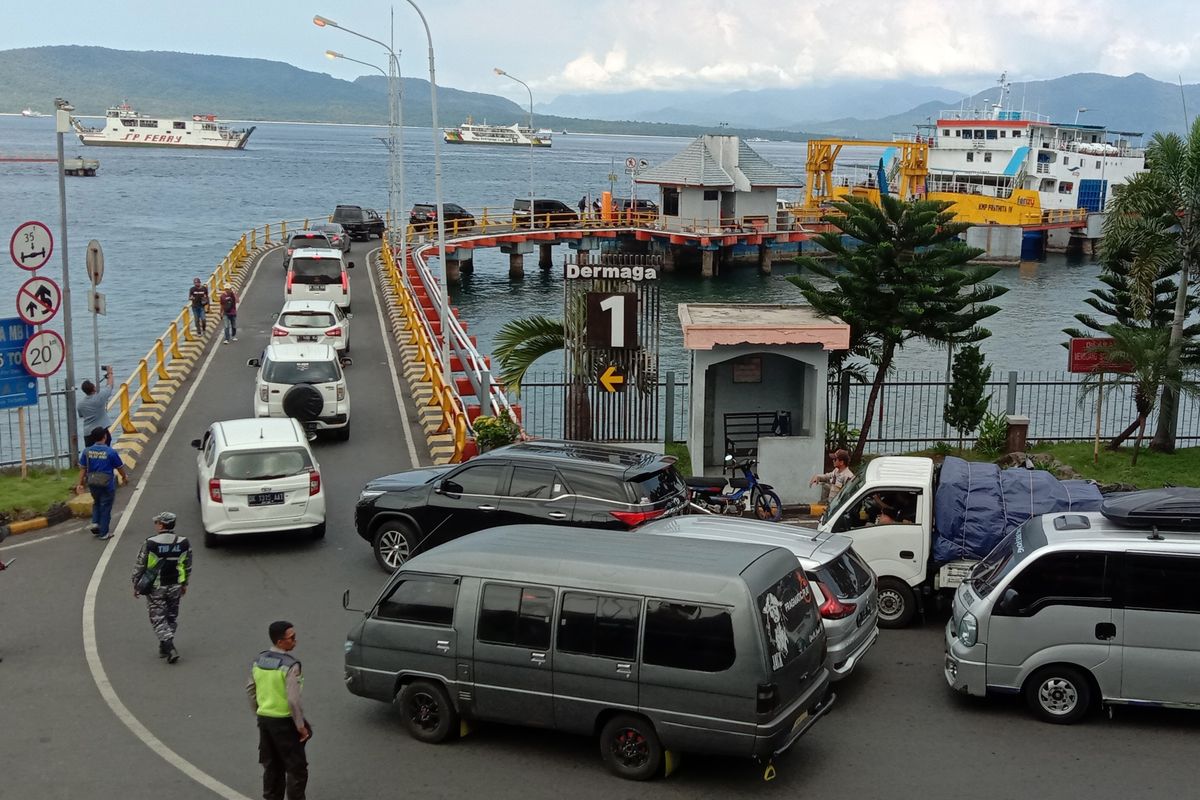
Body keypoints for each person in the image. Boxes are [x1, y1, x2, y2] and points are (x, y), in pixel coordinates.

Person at [248, 621, 311, 800]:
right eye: (291, 638)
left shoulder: (258, 661)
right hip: (285, 722)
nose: (295, 641)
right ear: (279, 641)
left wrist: (260, 712)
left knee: (272, 766)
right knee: (296, 768)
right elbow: (293, 699)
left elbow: (250, 689)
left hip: (265, 721)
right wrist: (300, 726)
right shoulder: (291, 665)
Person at [131, 512, 191, 663]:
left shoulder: (150, 543)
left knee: (157, 618)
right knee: (171, 616)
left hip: (156, 586)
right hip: (176, 585)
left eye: (157, 522)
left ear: (162, 525)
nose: (155, 525)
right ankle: (164, 645)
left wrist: (136, 583)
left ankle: (169, 646)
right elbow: (187, 565)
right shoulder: (184, 542)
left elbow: (140, 564)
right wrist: (184, 584)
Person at [76, 426, 128, 541]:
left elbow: (83, 469)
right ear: (105, 437)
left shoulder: (87, 451)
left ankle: (95, 522)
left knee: (97, 502)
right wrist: (124, 477)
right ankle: (104, 533)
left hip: (92, 482)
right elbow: (120, 467)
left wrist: (80, 484)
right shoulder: (110, 452)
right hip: (107, 484)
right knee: (106, 506)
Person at [78, 365, 117, 443]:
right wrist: (110, 373)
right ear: (94, 388)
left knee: (91, 453)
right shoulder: (100, 397)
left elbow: (81, 415)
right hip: (101, 432)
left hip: (88, 433)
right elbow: (109, 385)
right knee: (104, 452)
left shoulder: (80, 404)